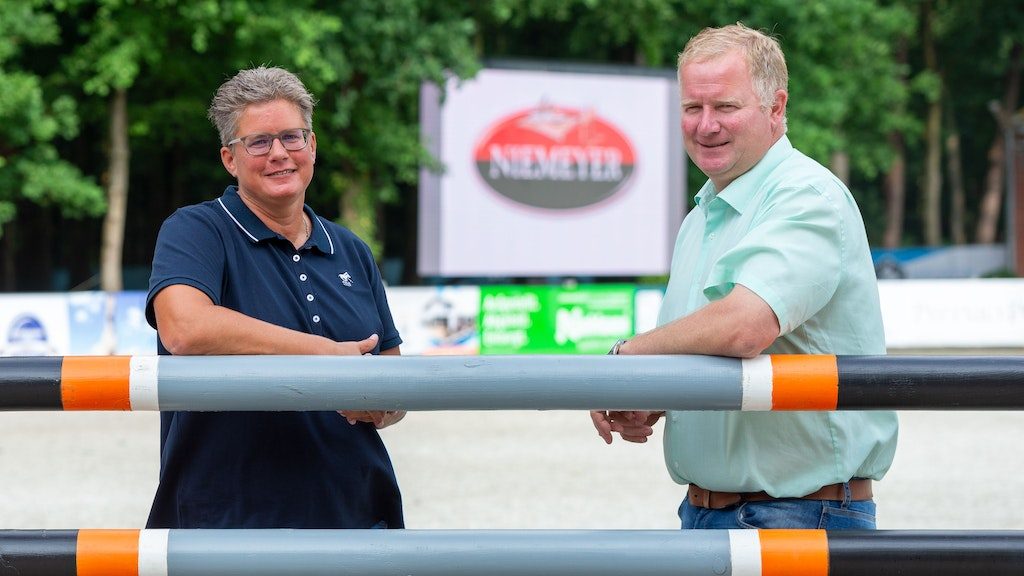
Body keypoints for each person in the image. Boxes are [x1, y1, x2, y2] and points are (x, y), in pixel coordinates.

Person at [591, 23, 897, 530]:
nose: (705, 125)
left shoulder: (806, 196)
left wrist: (626, 359)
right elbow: (707, 348)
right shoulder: (703, 215)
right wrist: (650, 394)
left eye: (725, 107)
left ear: (776, 108)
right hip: (713, 512)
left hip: (800, 513)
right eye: (693, 108)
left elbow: (745, 327)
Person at [145, 66, 405, 529]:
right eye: (259, 142)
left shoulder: (351, 249)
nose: (280, 153)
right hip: (228, 526)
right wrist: (327, 356)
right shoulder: (197, 230)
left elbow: (394, 377)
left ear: (313, 145)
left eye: (292, 137)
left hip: (356, 518)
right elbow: (184, 328)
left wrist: (382, 405)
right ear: (230, 159)